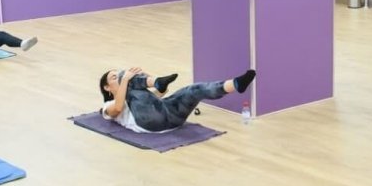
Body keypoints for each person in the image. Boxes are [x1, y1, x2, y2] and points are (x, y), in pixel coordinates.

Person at [98, 67, 257, 133]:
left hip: (168, 115)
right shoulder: (107, 106)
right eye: (114, 77)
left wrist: (146, 76)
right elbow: (118, 108)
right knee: (129, 79)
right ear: (107, 87)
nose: (119, 78)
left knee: (193, 90)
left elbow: (160, 93)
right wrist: (125, 79)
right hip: (150, 124)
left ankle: (235, 84)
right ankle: (156, 80)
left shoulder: (138, 95)